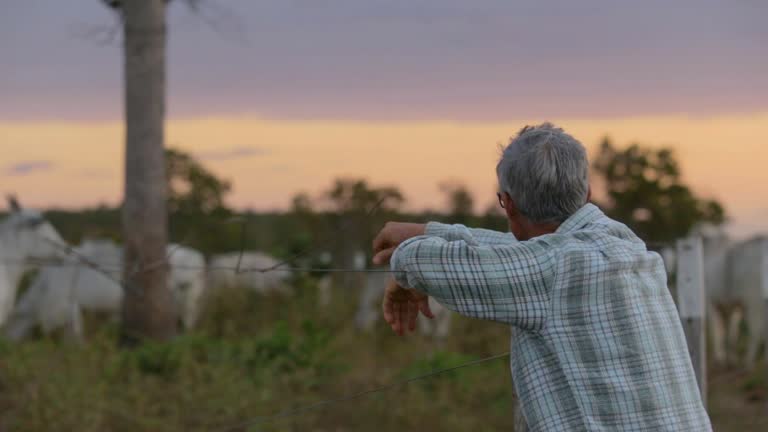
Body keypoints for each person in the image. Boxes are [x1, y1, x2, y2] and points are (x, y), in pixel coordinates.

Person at [372, 123, 711, 431]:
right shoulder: (625, 242)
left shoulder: (549, 271)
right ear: (587, 193)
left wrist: (407, 266)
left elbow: (424, 260)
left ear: (508, 204)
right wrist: (427, 231)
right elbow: (523, 252)